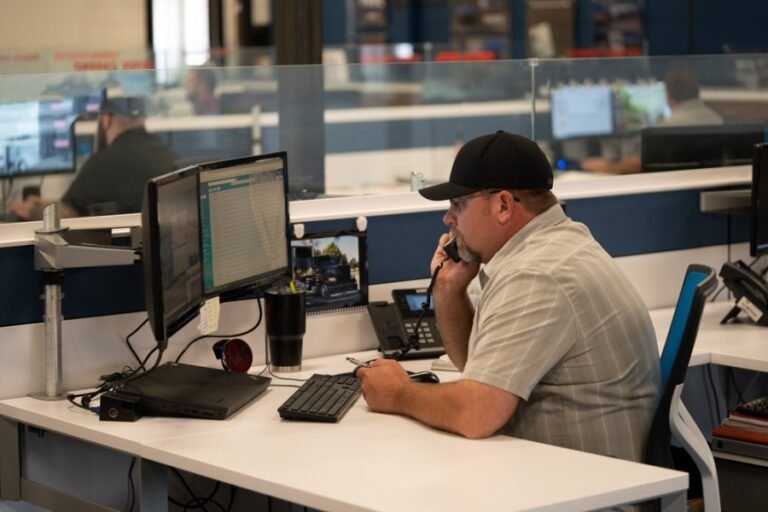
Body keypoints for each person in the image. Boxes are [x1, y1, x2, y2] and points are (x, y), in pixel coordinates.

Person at [357, 131, 660, 464]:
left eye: (459, 204)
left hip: (583, 492)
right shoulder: (559, 243)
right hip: (576, 476)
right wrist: (448, 289)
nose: (448, 219)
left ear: (502, 205)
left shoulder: (536, 274)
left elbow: (475, 413)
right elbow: (479, 369)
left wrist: (398, 393)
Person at [8, 96, 178, 220]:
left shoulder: (105, 161)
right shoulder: (166, 153)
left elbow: (67, 213)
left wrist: (31, 210)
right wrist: (43, 202)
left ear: (107, 120)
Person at [581, 67, 723, 175]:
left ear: (668, 94)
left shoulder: (668, 127)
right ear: (697, 91)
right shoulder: (716, 119)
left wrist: (606, 167)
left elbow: (636, 165)